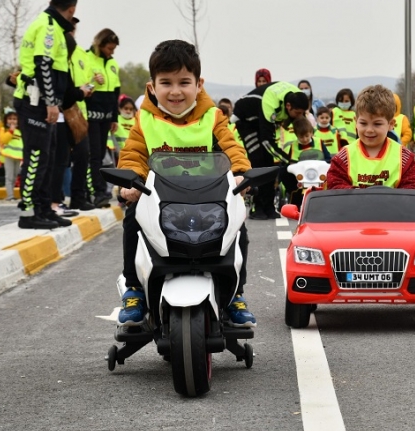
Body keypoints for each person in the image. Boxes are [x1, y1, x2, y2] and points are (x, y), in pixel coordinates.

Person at [116, 39, 256, 328]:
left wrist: (241, 172)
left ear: (199, 84)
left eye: (184, 82)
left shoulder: (213, 118)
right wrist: (129, 181)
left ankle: (235, 294)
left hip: (209, 200)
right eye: (166, 82)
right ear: (152, 87)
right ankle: (133, 289)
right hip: (161, 201)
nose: (176, 91)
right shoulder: (144, 121)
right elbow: (133, 155)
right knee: (132, 220)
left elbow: (232, 148)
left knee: (238, 226)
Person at [13, 0, 76, 229]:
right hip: (34, 101)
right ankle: (28, 214)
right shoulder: (48, 26)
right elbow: (43, 65)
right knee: (36, 158)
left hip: (41, 102)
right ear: (72, 10)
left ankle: (43, 209)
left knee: (47, 159)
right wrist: (50, 102)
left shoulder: (54, 27)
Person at [231, 80, 309, 220]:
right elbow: (268, 141)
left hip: (260, 118)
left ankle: (269, 207)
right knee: (258, 160)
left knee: (269, 163)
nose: (299, 116)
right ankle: (257, 207)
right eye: (297, 113)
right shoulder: (270, 103)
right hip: (246, 120)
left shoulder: (296, 96)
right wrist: (288, 160)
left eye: (302, 113)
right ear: (288, 106)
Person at [326, 85, 415, 190]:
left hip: (392, 206)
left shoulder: (404, 158)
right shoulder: (343, 158)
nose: (369, 130)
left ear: (391, 124)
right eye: (363, 123)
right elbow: (334, 186)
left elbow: (414, 190)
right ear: (356, 121)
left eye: (377, 124)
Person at [51, 17, 93, 218]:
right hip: (59, 112)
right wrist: (79, 92)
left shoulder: (80, 54)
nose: (71, 31)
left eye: (73, 28)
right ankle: (53, 201)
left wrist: (88, 88)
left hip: (75, 112)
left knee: (77, 155)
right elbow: (64, 90)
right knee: (58, 160)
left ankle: (75, 197)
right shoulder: (55, 52)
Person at [86, 28, 120, 208]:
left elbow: (116, 92)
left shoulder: (113, 64)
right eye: (109, 48)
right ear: (100, 44)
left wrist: (115, 117)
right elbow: (80, 85)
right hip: (90, 115)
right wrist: (92, 80)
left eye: (113, 49)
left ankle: (100, 190)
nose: (111, 52)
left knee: (101, 155)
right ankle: (97, 192)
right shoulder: (86, 58)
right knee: (95, 155)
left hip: (107, 116)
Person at [280, 116, 331, 210]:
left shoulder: (319, 142)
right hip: (302, 176)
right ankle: (294, 205)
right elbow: (292, 162)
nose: (304, 139)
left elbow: (328, 157)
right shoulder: (294, 146)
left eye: (307, 136)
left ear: (311, 132)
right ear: (296, 135)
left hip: (318, 173)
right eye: (301, 136)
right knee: (284, 173)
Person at [0, 108, 23, 201]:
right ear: (6, 120)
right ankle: (10, 195)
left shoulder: (20, 131)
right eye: (10, 118)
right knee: (9, 176)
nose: (12, 121)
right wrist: (10, 131)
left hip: (18, 156)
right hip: (8, 156)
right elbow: (3, 140)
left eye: (14, 119)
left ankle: (11, 194)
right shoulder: (4, 129)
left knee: (15, 175)